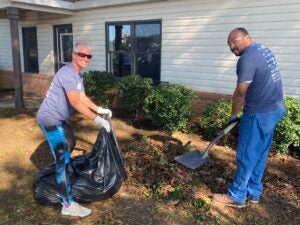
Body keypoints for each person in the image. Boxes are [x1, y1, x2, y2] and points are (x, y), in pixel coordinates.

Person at [212, 28, 286, 208]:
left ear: (246, 38)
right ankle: (254, 192)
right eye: (228, 43)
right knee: (259, 153)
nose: (231, 46)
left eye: (234, 41)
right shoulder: (262, 49)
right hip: (274, 109)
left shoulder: (247, 59)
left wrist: (233, 115)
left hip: (258, 114)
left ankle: (236, 195)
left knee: (246, 154)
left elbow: (240, 92)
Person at [36, 42, 112, 217]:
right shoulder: (68, 74)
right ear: (74, 55)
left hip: (59, 119)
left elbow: (82, 97)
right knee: (62, 158)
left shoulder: (77, 75)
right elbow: (76, 103)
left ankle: (63, 171)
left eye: (88, 56)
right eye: (82, 55)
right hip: (50, 119)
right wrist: (98, 120)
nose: (85, 58)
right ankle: (68, 205)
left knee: (71, 142)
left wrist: (98, 109)